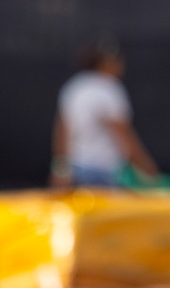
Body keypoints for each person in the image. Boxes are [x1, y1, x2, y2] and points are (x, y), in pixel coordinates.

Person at [52, 41, 161, 189]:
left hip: (76, 169)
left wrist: (61, 168)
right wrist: (148, 169)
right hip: (103, 172)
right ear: (107, 63)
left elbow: (62, 131)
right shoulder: (109, 89)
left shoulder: (74, 87)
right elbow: (123, 135)